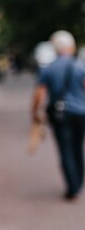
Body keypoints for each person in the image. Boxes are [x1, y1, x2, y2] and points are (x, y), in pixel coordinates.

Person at [32, 30, 85, 201]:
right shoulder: (80, 65)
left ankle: (73, 187)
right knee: (78, 148)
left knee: (66, 150)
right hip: (80, 113)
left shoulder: (49, 68)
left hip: (60, 114)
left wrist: (35, 113)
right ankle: (78, 182)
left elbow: (39, 94)